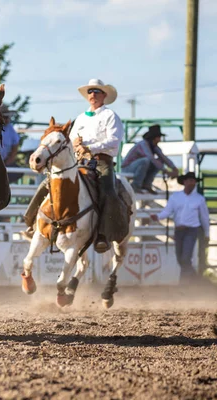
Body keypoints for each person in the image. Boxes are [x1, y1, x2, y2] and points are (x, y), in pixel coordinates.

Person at [22, 78, 126, 253]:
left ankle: (102, 234)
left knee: (108, 192)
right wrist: (75, 144)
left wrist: (89, 146)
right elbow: (66, 142)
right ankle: (32, 223)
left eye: (96, 91)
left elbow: (114, 141)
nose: (92, 94)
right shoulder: (80, 118)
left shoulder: (110, 116)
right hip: (78, 161)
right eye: (90, 91)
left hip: (102, 161)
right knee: (48, 184)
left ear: (104, 95)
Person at [151, 172, 210, 283]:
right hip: (179, 230)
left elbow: (204, 218)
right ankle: (197, 281)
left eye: (193, 180)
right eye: (189, 180)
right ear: (184, 182)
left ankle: (184, 283)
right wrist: (158, 217)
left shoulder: (199, 199)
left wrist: (207, 233)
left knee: (185, 258)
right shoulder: (175, 197)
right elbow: (167, 211)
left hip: (191, 230)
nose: (191, 182)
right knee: (181, 259)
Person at [121, 124, 178, 194]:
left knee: (158, 162)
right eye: (159, 137)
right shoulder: (143, 145)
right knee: (146, 161)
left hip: (136, 168)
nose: (160, 140)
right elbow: (151, 158)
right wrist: (166, 170)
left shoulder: (154, 147)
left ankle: (146, 184)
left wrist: (174, 168)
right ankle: (136, 185)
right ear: (154, 138)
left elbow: (163, 158)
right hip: (127, 168)